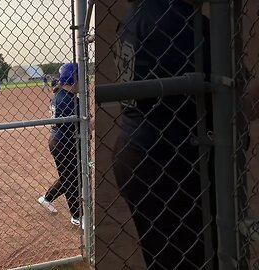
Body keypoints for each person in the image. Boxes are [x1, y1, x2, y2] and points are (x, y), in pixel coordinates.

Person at [112, 0, 215, 269]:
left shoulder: (141, 11)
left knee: (163, 255)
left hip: (136, 149)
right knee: (193, 257)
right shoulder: (181, 21)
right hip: (168, 162)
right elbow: (234, 97)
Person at [37, 63, 83, 227]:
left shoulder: (63, 95)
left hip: (63, 140)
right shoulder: (68, 99)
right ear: (73, 79)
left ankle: (47, 198)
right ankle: (77, 216)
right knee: (72, 180)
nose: (83, 81)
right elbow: (86, 123)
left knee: (71, 177)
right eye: (80, 77)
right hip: (63, 143)